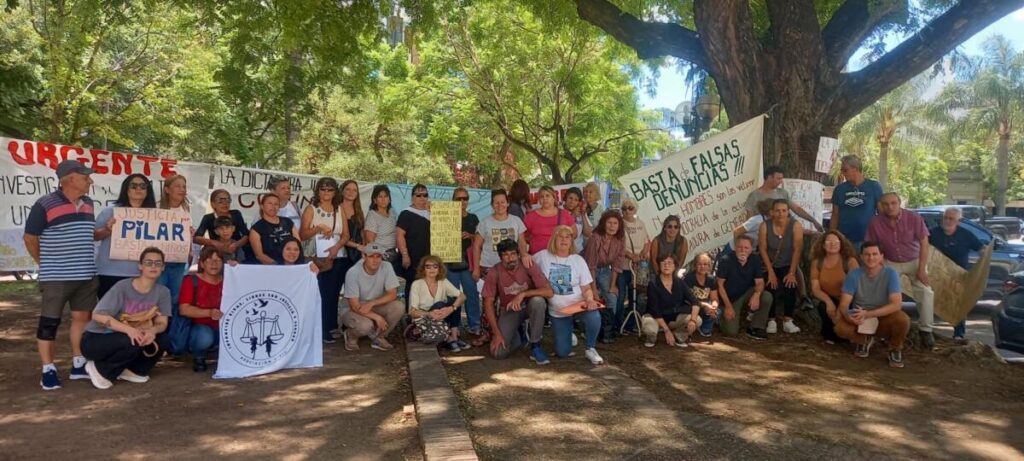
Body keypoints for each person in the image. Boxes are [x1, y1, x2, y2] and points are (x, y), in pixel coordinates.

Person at [24, 160, 99, 390]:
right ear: (69, 179)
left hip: (86, 274)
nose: (90, 181)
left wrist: (107, 231)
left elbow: (88, 234)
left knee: (82, 319)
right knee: (49, 322)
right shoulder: (44, 204)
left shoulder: (88, 203)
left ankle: (78, 363)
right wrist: (45, 263)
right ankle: (48, 369)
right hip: (56, 276)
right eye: (85, 177)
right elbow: (30, 238)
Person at [80, 247, 172, 389]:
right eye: (148, 262)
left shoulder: (163, 292)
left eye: (158, 263)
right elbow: (98, 315)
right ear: (140, 266)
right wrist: (129, 330)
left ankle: (132, 370)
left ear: (163, 267)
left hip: (129, 336)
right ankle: (101, 369)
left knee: (163, 339)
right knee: (132, 339)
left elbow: (162, 322)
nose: (153, 266)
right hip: (97, 338)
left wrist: (153, 331)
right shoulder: (122, 287)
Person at [865, 193, 935, 349]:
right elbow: (872, 245)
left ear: (899, 203)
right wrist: (879, 264)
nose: (890, 207)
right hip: (890, 261)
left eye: (893, 203)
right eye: (886, 204)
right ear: (881, 206)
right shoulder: (875, 222)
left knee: (925, 292)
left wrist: (922, 268)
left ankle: (926, 330)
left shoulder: (914, 218)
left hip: (914, 260)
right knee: (887, 295)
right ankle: (892, 329)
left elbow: (924, 243)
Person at [534, 225, 604, 365]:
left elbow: (586, 287)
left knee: (594, 315)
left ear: (572, 241)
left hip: (578, 305)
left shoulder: (578, 260)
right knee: (562, 353)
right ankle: (568, 335)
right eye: (560, 236)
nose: (564, 240)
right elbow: (527, 264)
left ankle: (590, 348)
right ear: (554, 238)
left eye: (568, 237)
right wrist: (523, 255)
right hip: (558, 312)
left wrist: (590, 299)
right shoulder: (542, 256)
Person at [834, 242, 911, 368]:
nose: (871, 258)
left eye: (875, 254)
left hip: (882, 315)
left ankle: (895, 349)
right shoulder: (854, 275)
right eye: (867, 254)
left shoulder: (891, 274)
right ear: (861, 257)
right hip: (860, 315)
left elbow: (896, 304)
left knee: (903, 320)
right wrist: (849, 317)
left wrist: (869, 314)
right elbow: (844, 304)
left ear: (881, 256)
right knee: (841, 327)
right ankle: (864, 340)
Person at [481, 239, 554, 363]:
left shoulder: (528, 265)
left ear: (518, 254)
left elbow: (549, 292)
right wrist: (496, 333)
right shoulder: (494, 272)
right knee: (498, 353)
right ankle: (519, 335)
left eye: (513, 254)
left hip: (529, 306)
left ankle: (535, 345)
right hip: (509, 309)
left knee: (538, 301)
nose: (510, 258)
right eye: (506, 255)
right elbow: (488, 304)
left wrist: (523, 294)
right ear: (500, 257)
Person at [299, 177, 350, 344]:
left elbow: (346, 235)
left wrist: (336, 248)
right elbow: (302, 235)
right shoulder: (311, 209)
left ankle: (331, 326)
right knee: (319, 293)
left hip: (338, 255)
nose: (326, 192)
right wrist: (318, 228)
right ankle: (319, 329)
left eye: (330, 189)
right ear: (318, 191)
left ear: (335, 192)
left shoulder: (339, 209)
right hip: (317, 257)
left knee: (333, 293)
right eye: (323, 189)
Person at [94, 174, 156, 299]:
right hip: (110, 272)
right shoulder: (110, 211)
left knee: (136, 314)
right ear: (126, 189)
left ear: (147, 190)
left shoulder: (156, 216)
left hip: (142, 273)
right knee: (108, 313)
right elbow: (94, 236)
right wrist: (107, 230)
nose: (138, 189)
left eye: (143, 186)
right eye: (133, 186)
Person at [929, 207, 982, 342]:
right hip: (937, 275)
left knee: (959, 305)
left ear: (958, 221)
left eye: (951, 218)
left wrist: (985, 255)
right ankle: (928, 332)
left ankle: (959, 334)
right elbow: (922, 248)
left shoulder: (966, 234)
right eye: (945, 217)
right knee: (930, 302)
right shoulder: (933, 233)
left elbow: (981, 248)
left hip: (959, 276)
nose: (947, 220)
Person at [342, 243, 406, 351]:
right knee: (365, 326)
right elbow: (354, 306)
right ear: (364, 256)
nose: (375, 260)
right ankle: (351, 335)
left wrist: (372, 303)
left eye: (378, 256)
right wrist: (377, 317)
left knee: (399, 307)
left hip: (374, 305)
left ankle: (379, 337)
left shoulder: (387, 266)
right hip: (354, 309)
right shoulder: (353, 272)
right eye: (371, 256)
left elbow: (392, 294)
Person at [642, 254, 713, 348]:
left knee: (698, 320)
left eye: (669, 263)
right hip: (656, 318)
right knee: (649, 327)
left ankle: (680, 335)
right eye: (663, 263)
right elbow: (655, 310)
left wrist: (693, 320)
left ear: (674, 266)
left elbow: (695, 302)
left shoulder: (679, 282)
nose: (666, 265)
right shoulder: (654, 283)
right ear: (659, 265)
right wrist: (667, 331)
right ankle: (652, 337)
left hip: (674, 318)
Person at [758, 199, 804, 334]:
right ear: (772, 212)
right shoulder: (764, 226)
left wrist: (792, 272)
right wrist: (770, 271)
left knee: (790, 284)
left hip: (788, 263)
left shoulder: (795, 226)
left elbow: (797, 249)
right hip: (770, 263)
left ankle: (788, 320)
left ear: (788, 212)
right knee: (770, 285)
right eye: (777, 211)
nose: (781, 214)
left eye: (784, 210)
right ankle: (771, 319)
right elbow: (762, 249)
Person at [716, 235, 773, 339]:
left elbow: (760, 282)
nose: (743, 250)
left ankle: (756, 327)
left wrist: (757, 294)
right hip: (731, 298)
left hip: (747, 292)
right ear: (735, 247)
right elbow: (720, 284)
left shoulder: (754, 259)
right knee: (731, 332)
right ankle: (720, 317)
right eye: (740, 247)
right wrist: (728, 306)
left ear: (751, 249)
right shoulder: (726, 260)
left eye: (746, 248)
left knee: (766, 296)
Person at [809, 230, 860, 344]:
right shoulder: (817, 262)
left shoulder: (850, 262)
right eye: (828, 242)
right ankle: (830, 333)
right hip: (830, 297)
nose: (832, 244)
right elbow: (815, 288)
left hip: (849, 300)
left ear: (841, 244)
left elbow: (855, 288)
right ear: (822, 245)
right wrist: (829, 302)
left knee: (845, 330)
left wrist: (841, 308)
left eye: (836, 242)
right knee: (822, 306)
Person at [179, 246, 224, 372]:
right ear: (202, 264)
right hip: (199, 328)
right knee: (204, 336)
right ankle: (199, 355)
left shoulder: (229, 280)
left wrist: (235, 268)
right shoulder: (191, 280)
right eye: (209, 260)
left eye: (218, 260)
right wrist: (209, 313)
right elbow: (184, 309)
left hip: (223, 327)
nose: (214, 264)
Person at [583, 210, 625, 343]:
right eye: (609, 223)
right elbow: (591, 266)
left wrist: (612, 286)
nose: (612, 226)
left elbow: (617, 263)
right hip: (587, 270)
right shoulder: (595, 237)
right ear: (604, 223)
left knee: (612, 297)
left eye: (615, 223)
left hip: (605, 269)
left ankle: (608, 330)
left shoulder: (620, 238)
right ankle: (588, 328)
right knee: (592, 298)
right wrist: (593, 289)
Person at [409, 255, 468, 351]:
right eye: (428, 267)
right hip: (425, 318)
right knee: (439, 304)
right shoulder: (417, 284)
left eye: (435, 266)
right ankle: (449, 339)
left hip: (441, 315)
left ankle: (454, 337)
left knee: (455, 302)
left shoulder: (443, 281)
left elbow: (462, 296)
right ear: (423, 269)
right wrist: (429, 313)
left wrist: (451, 308)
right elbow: (413, 312)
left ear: (439, 269)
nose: (432, 269)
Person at [446, 188, 481, 336]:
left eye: (465, 198)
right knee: (452, 296)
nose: (462, 202)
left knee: (471, 294)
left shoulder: (473, 218)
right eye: (458, 199)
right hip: (449, 262)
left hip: (468, 263)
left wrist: (471, 236)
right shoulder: (445, 217)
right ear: (453, 200)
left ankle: (475, 324)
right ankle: (455, 326)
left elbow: (480, 239)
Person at [745, 166, 822, 231]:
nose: (781, 182)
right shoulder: (754, 196)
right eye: (778, 178)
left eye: (781, 179)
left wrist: (813, 221)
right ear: (769, 177)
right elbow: (749, 221)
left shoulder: (782, 193)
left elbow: (797, 209)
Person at [156, 174, 190, 322]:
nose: (182, 190)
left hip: (179, 262)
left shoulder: (186, 211)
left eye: (184, 186)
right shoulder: (156, 208)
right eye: (178, 186)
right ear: (167, 189)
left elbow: (186, 236)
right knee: (158, 298)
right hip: (159, 262)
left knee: (175, 299)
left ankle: (172, 336)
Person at [831, 155, 884, 246]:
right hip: (844, 240)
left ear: (855, 168)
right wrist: (832, 235)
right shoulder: (839, 189)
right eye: (842, 170)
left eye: (845, 170)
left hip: (867, 239)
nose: (842, 173)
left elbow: (881, 213)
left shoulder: (874, 186)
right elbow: (835, 214)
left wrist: (882, 235)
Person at [194, 189, 252, 263]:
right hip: (217, 252)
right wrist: (215, 243)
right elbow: (196, 238)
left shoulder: (236, 214)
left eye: (228, 200)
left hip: (236, 251)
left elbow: (246, 234)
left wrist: (236, 245)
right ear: (213, 204)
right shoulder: (208, 218)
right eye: (221, 201)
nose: (225, 204)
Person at [397, 183, 432, 303]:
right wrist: (405, 255)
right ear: (412, 197)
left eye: (425, 195)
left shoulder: (433, 213)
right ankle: (410, 316)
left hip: (429, 259)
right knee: (413, 287)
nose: (422, 198)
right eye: (419, 195)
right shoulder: (406, 213)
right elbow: (399, 235)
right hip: (413, 258)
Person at [620, 198, 651, 332]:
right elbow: (617, 244)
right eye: (624, 208)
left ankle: (632, 324)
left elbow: (647, 241)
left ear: (635, 209)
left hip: (640, 266)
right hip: (623, 266)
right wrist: (630, 255)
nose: (627, 211)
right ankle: (619, 323)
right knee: (621, 296)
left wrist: (643, 253)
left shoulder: (641, 223)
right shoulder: (619, 224)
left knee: (638, 295)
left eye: (630, 208)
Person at [522, 186, 575, 260]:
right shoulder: (530, 217)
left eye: (547, 195)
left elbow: (574, 233)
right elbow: (523, 237)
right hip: (538, 258)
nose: (545, 198)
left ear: (554, 198)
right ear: (539, 200)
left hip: (560, 257)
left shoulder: (564, 214)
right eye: (542, 197)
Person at [249, 193, 300, 265]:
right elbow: (259, 256)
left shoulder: (288, 222)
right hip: (271, 269)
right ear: (262, 206)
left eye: (276, 204)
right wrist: (278, 266)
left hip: (291, 265)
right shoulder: (256, 229)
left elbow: (298, 244)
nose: (273, 206)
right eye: (270, 203)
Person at [364, 184, 400, 274]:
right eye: (380, 197)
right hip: (381, 256)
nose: (383, 199)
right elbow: (370, 241)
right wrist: (377, 257)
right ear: (375, 200)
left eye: (386, 196)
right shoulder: (372, 215)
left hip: (394, 254)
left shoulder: (392, 212)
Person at [686, 253, 720, 337]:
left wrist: (714, 306)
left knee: (718, 312)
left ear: (709, 266)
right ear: (695, 265)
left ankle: (705, 326)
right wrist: (705, 305)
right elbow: (688, 298)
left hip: (706, 306)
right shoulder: (689, 278)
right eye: (700, 264)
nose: (702, 267)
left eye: (705, 264)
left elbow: (714, 298)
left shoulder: (711, 279)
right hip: (691, 306)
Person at [339, 179, 366, 260]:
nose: (351, 192)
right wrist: (357, 246)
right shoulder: (336, 209)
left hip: (357, 253)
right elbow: (337, 235)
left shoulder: (358, 210)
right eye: (348, 189)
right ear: (342, 191)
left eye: (354, 190)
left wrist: (364, 249)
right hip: (340, 251)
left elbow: (362, 232)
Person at [562, 187, 593, 253]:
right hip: (563, 251)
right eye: (570, 198)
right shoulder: (559, 211)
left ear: (579, 202)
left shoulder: (580, 212)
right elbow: (562, 231)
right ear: (566, 198)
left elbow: (588, 234)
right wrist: (572, 216)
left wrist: (583, 214)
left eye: (576, 200)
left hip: (578, 251)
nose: (572, 202)